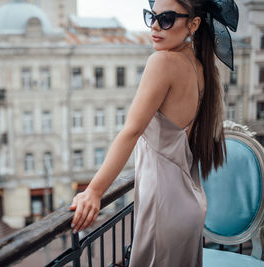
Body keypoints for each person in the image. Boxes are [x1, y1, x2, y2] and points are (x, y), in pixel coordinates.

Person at [69, 0, 238, 266]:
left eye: (167, 18)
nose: (155, 26)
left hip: (165, 210)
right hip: (186, 206)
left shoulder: (163, 62)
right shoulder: (199, 66)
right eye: (152, 16)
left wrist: (94, 191)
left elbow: (131, 131)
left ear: (193, 24)